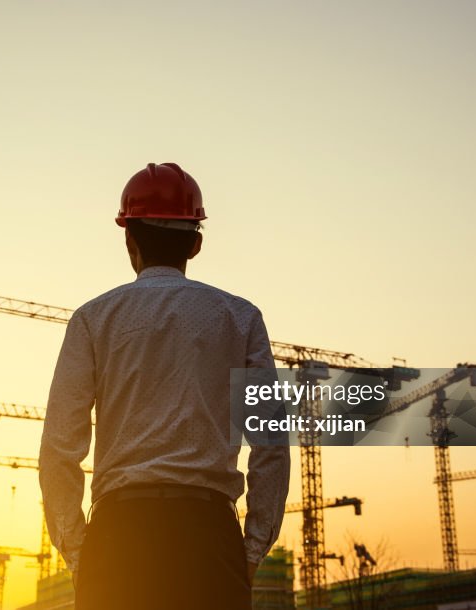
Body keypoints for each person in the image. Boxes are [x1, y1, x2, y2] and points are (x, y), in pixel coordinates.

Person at [39, 162, 290, 610]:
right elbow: (270, 444)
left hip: (118, 537)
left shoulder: (93, 320)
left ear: (128, 239)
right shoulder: (241, 319)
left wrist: (80, 554)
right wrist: (250, 551)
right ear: (195, 243)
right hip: (209, 539)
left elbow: (60, 447)